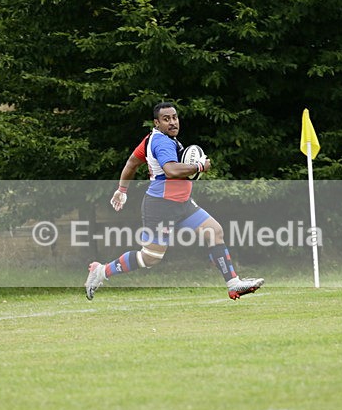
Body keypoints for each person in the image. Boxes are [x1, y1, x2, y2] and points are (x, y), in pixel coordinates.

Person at [85, 101, 264, 300]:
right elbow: (170, 170)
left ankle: (234, 284)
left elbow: (131, 162)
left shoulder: (151, 139)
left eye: (175, 117)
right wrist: (199, 167)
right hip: (162, 206)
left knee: (214, 231)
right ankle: (101, 271)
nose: (172, 122)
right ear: (156, 123)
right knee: (151, 257)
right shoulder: (162, 142)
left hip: (182, 203)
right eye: (166, 119)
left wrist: (121, 189)